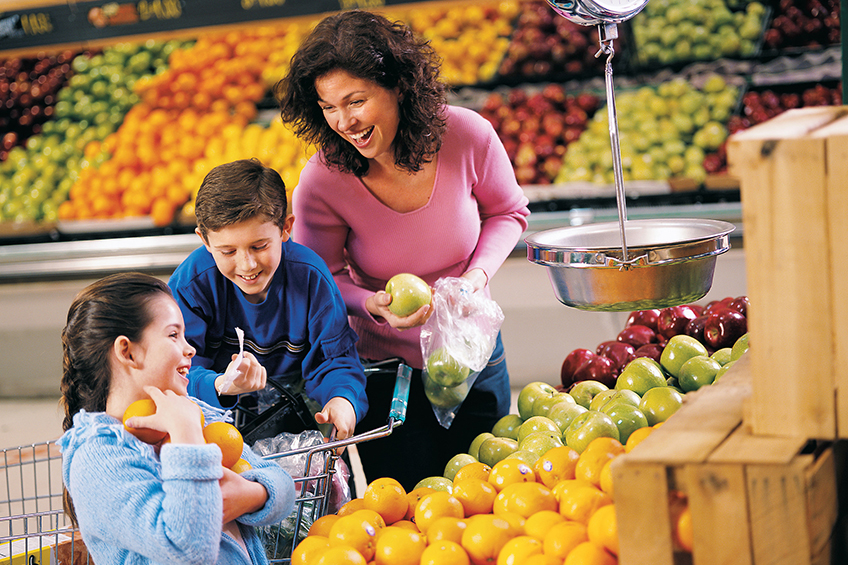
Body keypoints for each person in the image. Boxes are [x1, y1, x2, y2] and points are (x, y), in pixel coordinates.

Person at [275, 10, 531, 491]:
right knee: (408, 508)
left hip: (471, 353)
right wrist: (370, 305)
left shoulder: (466, 135)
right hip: (384, 373)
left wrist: (475, 279)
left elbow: (508, 213)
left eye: (356, 100)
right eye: (328, 107)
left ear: (397, 86)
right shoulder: (323, 180)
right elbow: (319, 276)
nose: (344, 121)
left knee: (493, 496)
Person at [57, 272, 295, 565]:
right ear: (127, 351)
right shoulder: (99, 457)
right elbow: (186, 551)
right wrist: (186, 435)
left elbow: (283, 485)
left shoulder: (194, 414)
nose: (190, 348)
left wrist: (253, 494)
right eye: (173, 334)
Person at [168, 159, 369, 442]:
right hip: (210, 434)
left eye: (259, 246)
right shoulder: (192, 285)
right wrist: (221, 384)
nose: (247, 264)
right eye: (227, 251)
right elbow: (173, 370)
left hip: (296, 430)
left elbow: (335, 360)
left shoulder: (310, 278)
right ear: (204, 240)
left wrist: (342, 400)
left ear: (285, 228)